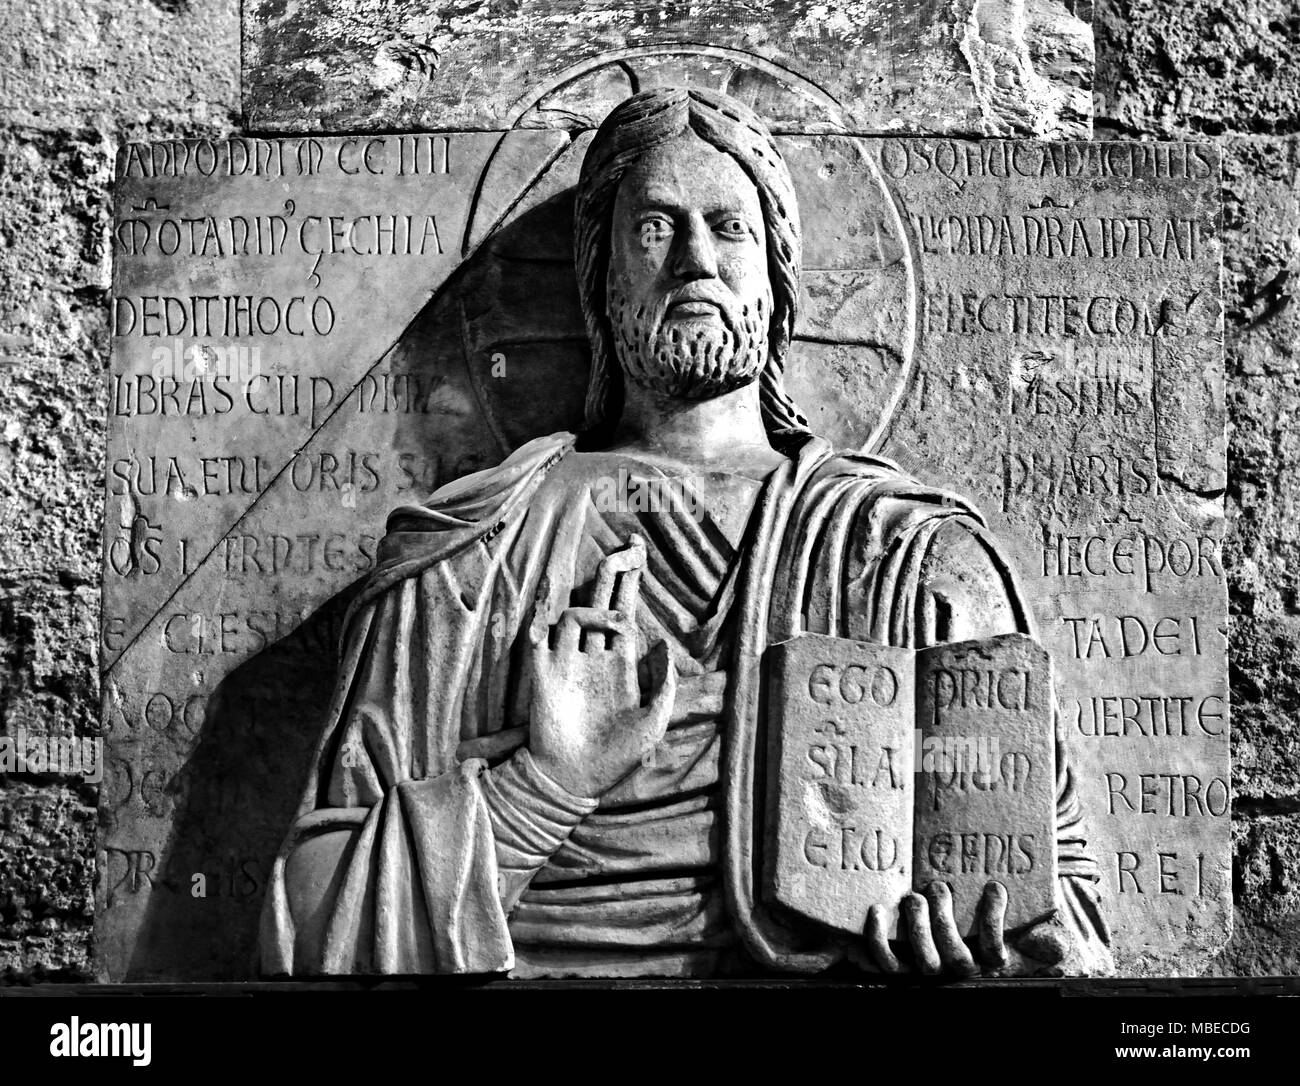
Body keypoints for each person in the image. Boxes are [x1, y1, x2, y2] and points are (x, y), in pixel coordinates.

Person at [260, 87, 1113, 978]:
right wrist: (543, 786)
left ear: (778, 276)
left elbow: (1070, 923)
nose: (695, 261)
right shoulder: (475, 552)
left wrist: (988, 957)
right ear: (602, 278)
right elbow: (310, 921)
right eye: (655, 229)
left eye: (730, 228)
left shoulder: (911, 559)